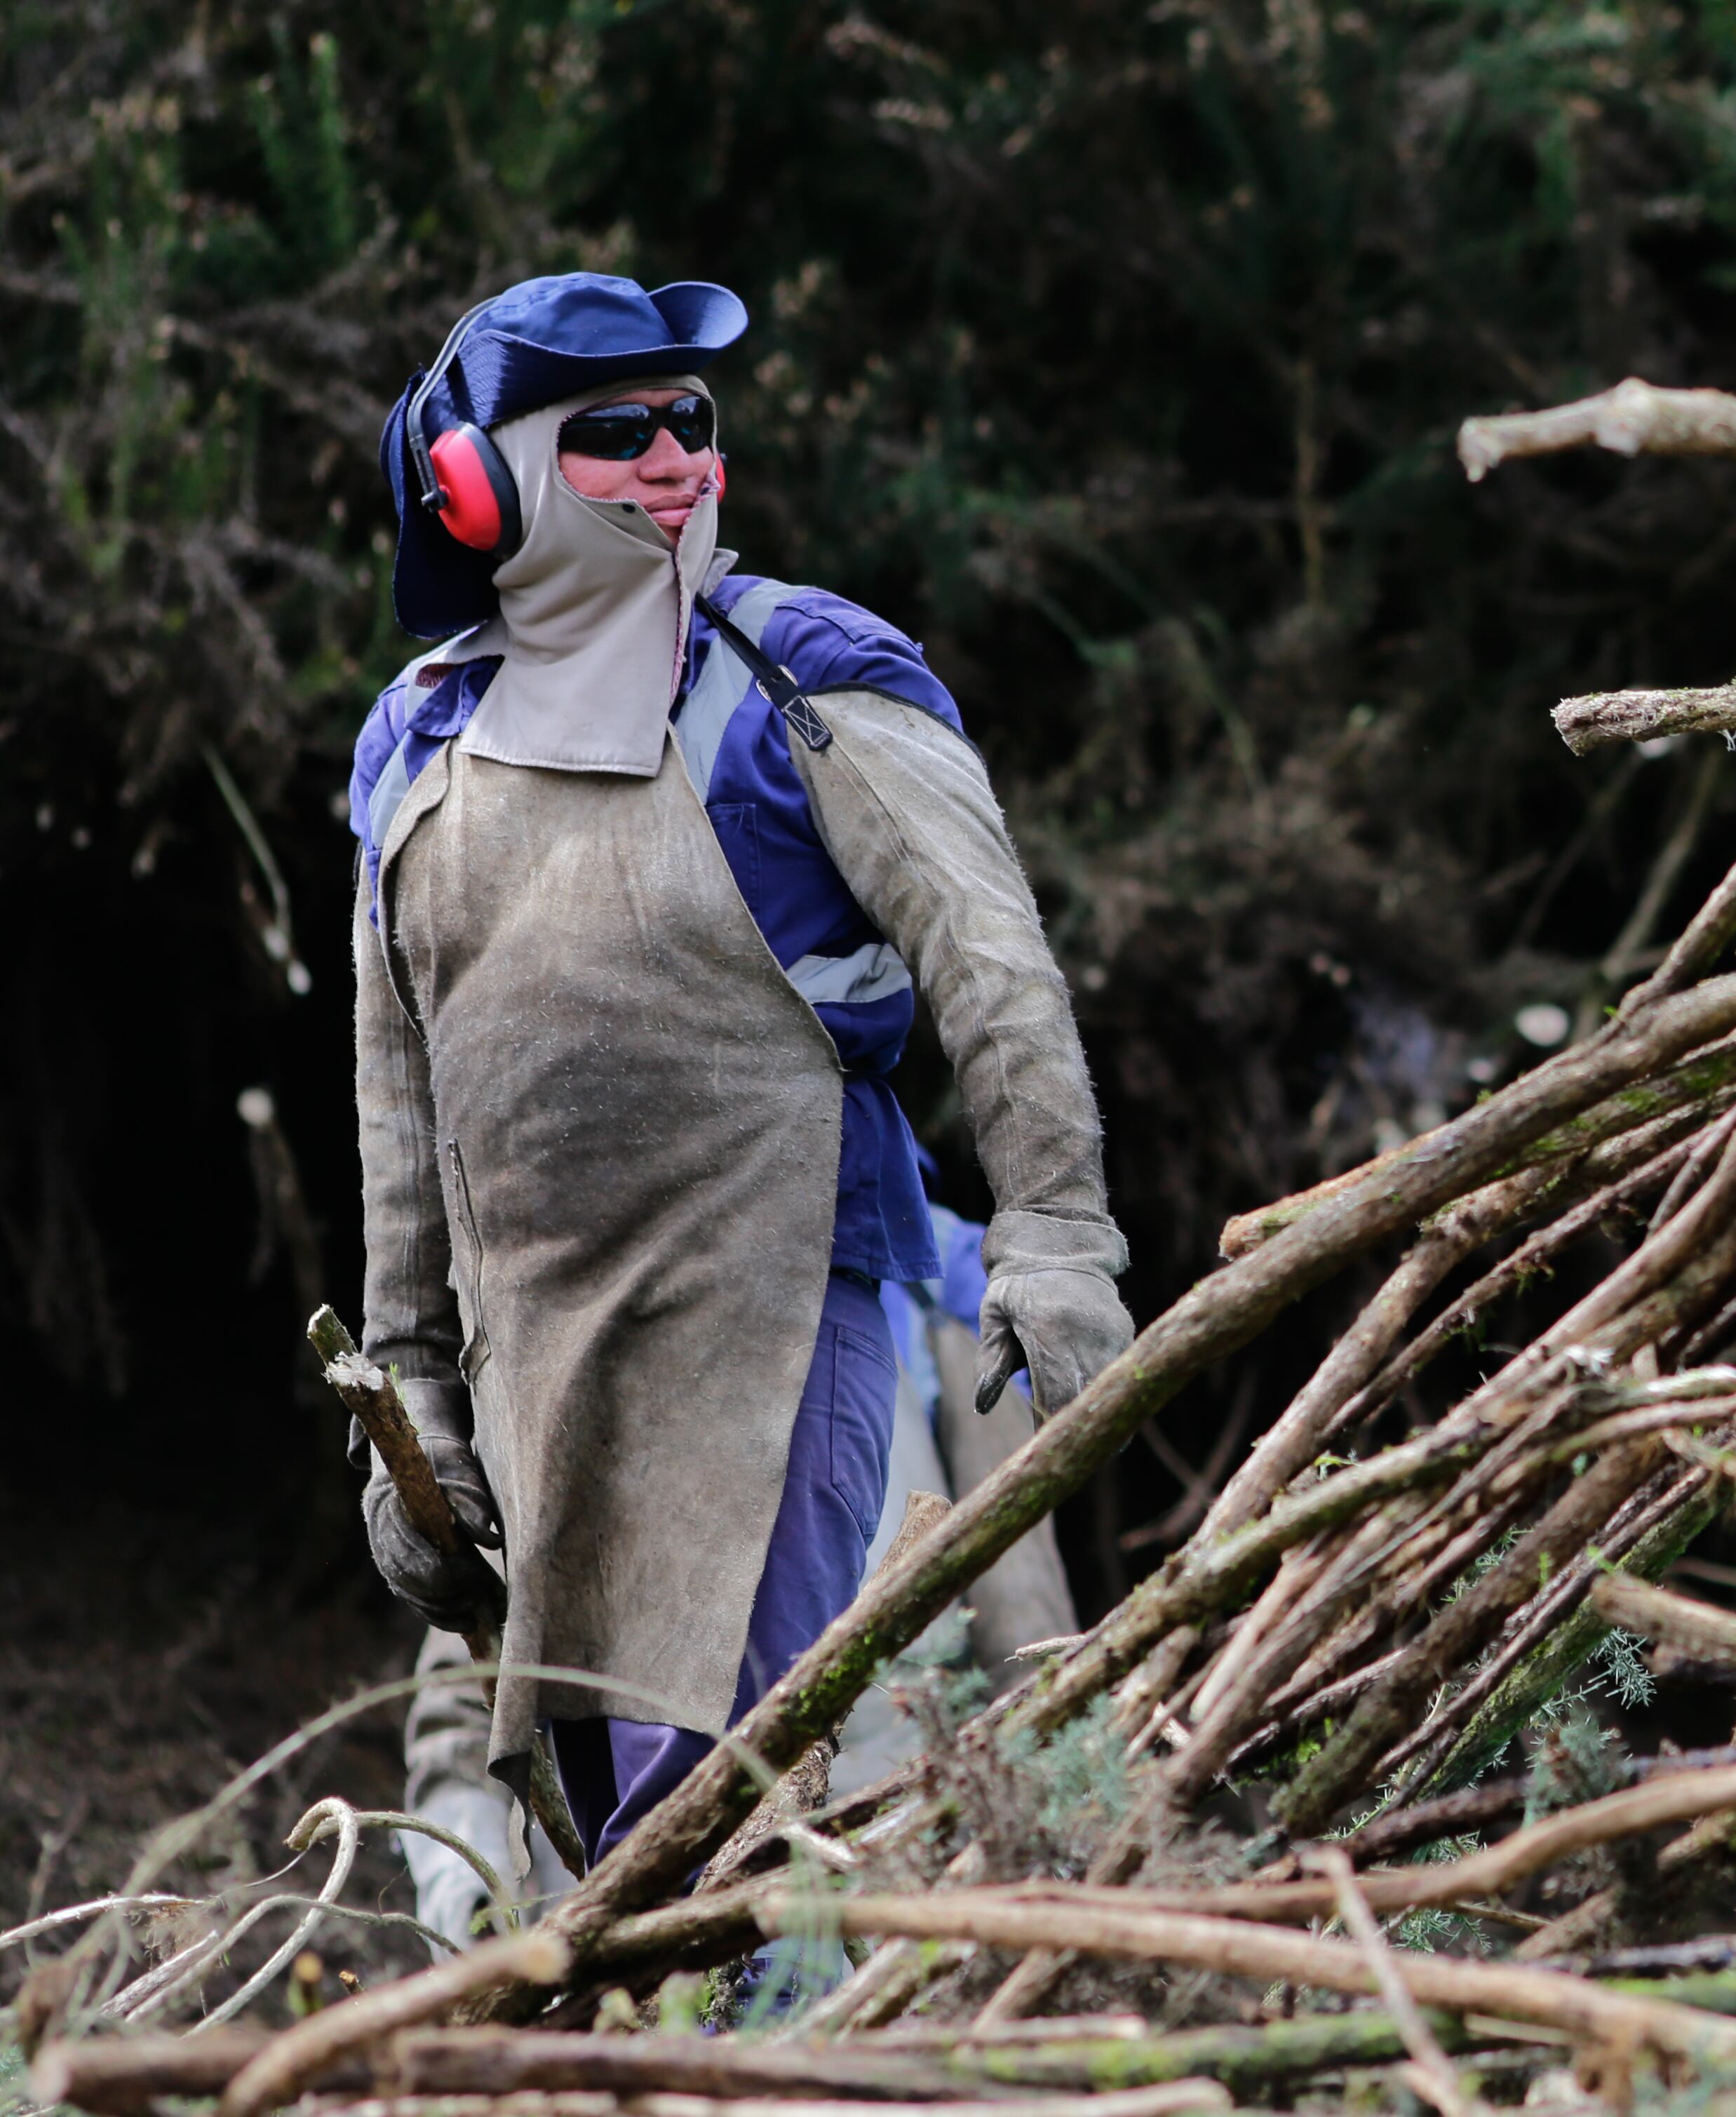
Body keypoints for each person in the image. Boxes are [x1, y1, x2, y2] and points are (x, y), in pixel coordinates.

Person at [347, 272, 1129, 1870]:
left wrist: (1054, 1233)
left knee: (721, 1788)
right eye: (616, 430)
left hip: (778, 1316)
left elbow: (992, 967)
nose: (676, 461)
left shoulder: (800, 677)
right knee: (580, 1821)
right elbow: (398, 1111)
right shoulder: (413, 746)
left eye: (693, 422)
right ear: (474, 483)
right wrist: (411, 1397)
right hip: (530, 1372)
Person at [399, 1197, 1079, 1950]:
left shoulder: (938, 1319)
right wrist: (471, 1901)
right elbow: (465, 1711)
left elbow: (1029, 1656)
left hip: (890, 1879)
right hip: (613, 1929)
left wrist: (1044, 1866)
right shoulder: (570, 1349)